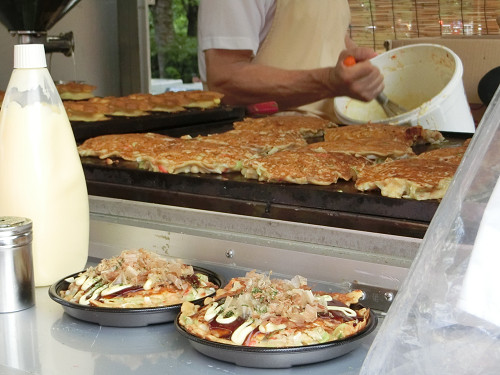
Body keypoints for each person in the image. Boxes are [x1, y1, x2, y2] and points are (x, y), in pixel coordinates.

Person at [197, 0, 384, 121]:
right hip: (259, 152)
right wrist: (328, 81)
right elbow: (225, 81)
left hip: (332, 143)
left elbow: (328, 38)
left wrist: (367, 66)